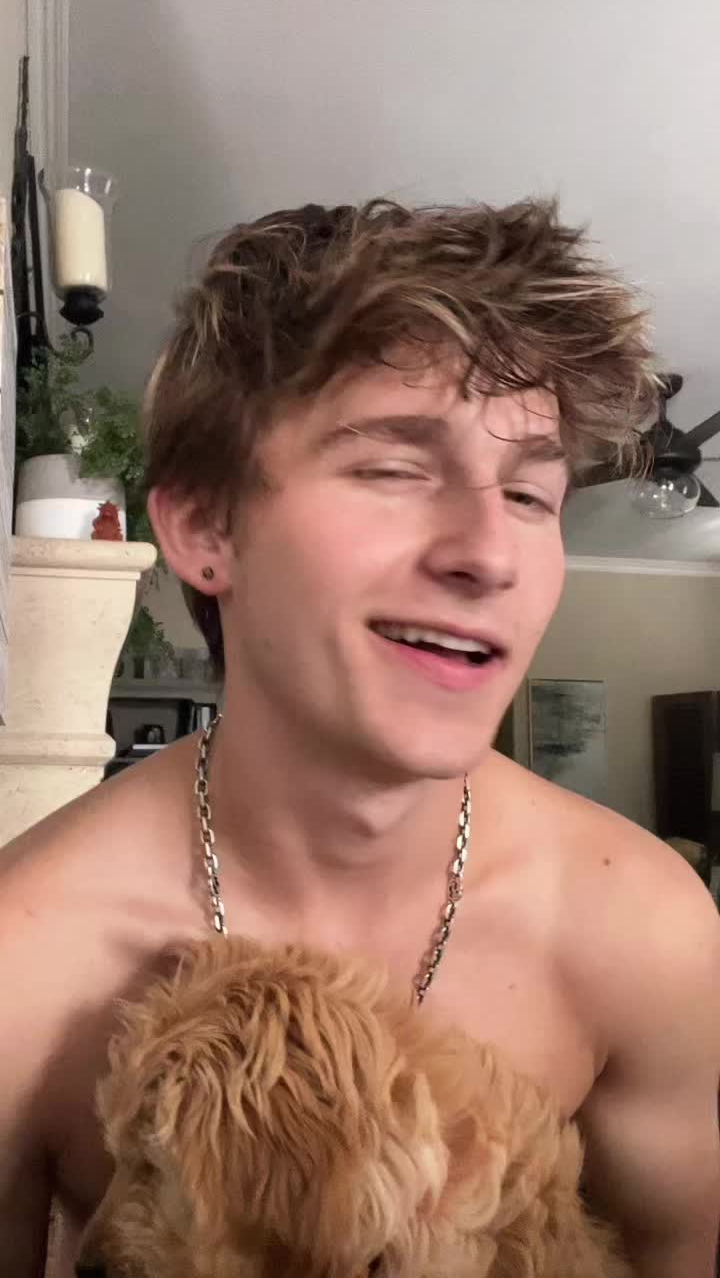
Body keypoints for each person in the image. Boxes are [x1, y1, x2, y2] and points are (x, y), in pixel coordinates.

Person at [1, 199, 718, 1278]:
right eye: (394, 469)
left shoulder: (645, 927)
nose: (491, 552)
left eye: (531, 493)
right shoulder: (25, 960)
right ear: (203, 527)